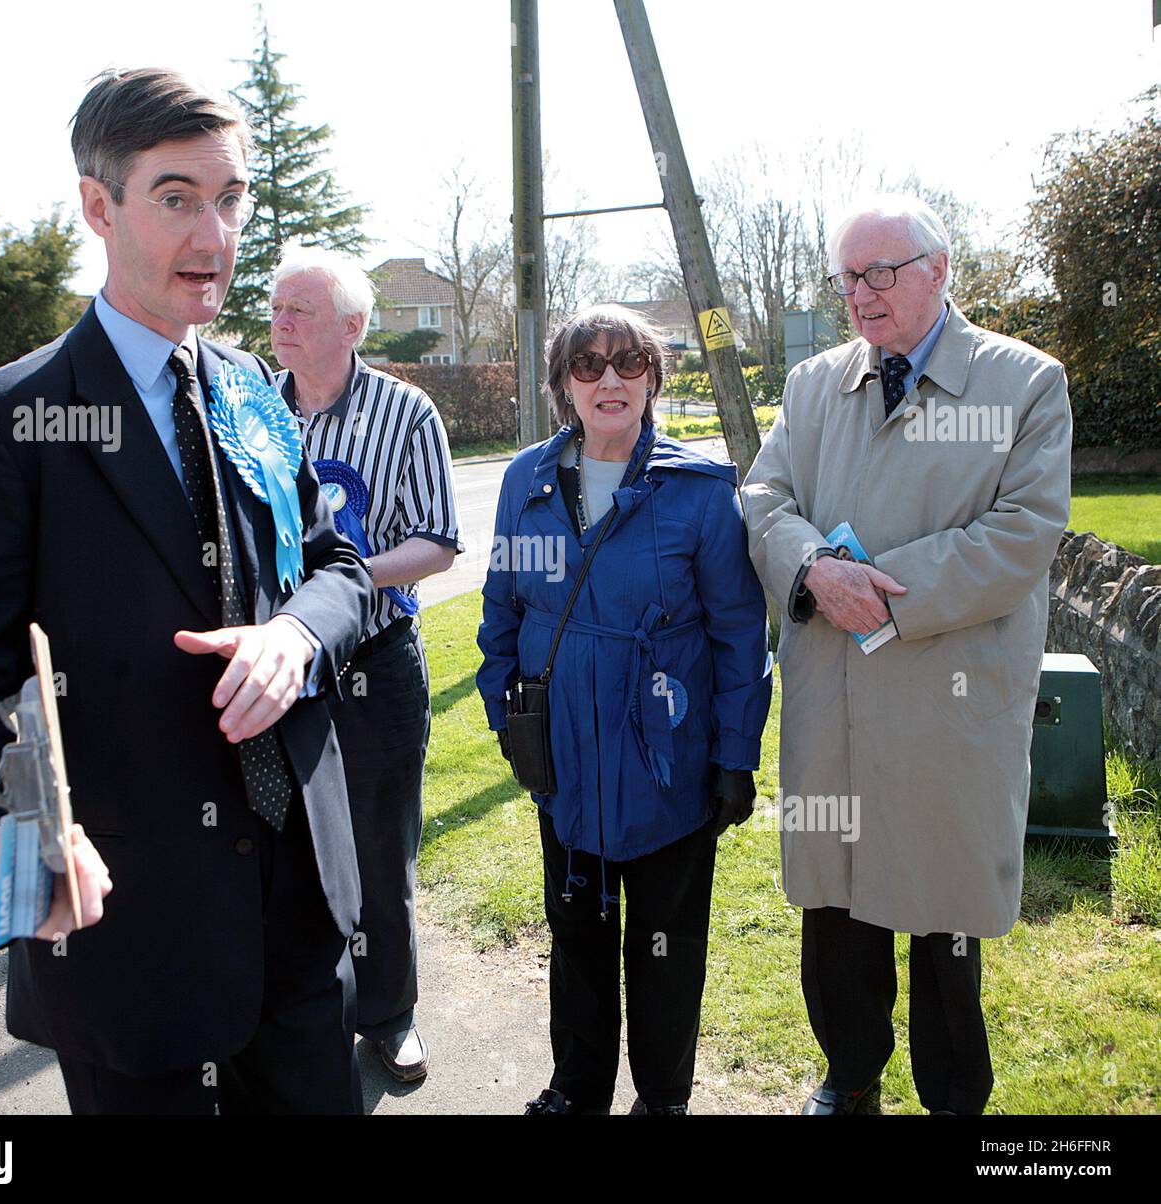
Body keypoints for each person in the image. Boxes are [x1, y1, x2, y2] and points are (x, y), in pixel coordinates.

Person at [0, 68, 373, 1115]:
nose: (213, 233)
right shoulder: (3, 425)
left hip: (299, 919)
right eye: (175, 198)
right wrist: (1, 858)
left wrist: (294, 635)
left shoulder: (254, 388)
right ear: (97, 206)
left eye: (230, 198)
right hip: (133, 955)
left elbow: (340, 569)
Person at [741, 194, 1072, 1115]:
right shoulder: (813, 386)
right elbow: (763, 496)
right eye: (848, 276)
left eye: (881, 272)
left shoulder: (1025, 384)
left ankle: (954, 1100)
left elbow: (1022, 535)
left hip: (946, 710)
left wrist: (875, 588)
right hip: (835, 699)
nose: (861, 293)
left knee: (942, 920)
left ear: (940, 269)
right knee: (837, 913)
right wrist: (811, 566)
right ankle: (849, 1081)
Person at [476, 304, 772, 1115]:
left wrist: (735, 759)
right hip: (564, 760)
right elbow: (501, 610)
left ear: (652, 377)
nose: (609, 379)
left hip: (668, 762)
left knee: (665, 947)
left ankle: (663, 1097)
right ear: (563, 383)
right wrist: (508, 723)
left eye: (628, 363)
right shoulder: (525, 481)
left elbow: (740, 638)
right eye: (588, 364)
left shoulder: (700, 492)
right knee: (574, 937)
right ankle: (576, 1089)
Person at [270, 245, 462, 1082]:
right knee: (282, 847)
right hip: (276, 675)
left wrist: (340, 585)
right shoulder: (248, 412)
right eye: (276, 307)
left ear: (351, 326)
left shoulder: (406, 411)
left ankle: (388, 1016)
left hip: (373, 665)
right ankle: (307, 1009)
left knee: (380, 851)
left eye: (301, 311)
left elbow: (438, 542)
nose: (281, 322)